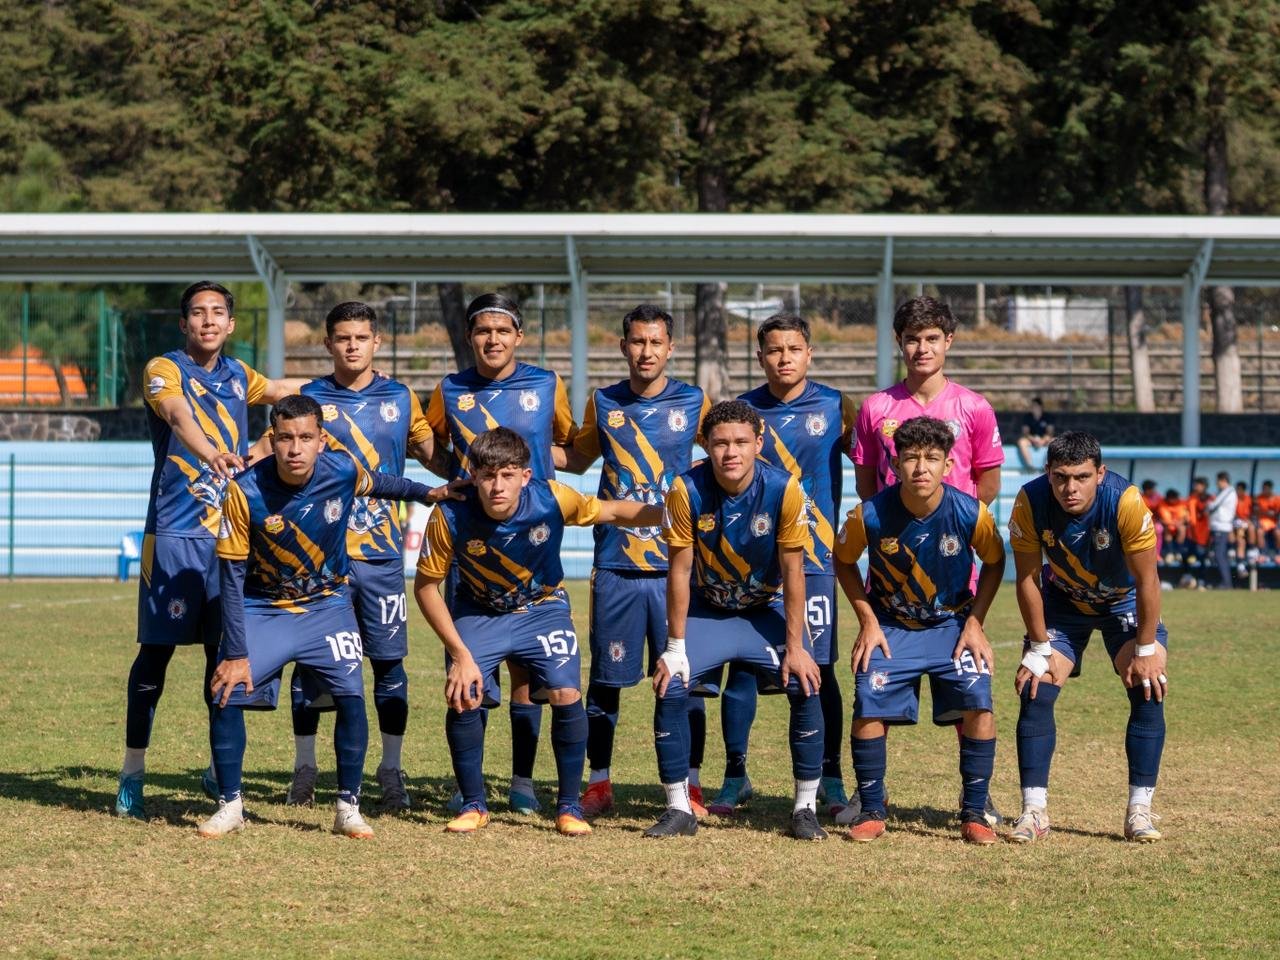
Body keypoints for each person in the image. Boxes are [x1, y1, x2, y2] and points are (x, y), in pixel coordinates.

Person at [199, 394, 443, 838]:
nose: (295, 448)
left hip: (327, 606)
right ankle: (231, 805)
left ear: (321, 440)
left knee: (351, 694)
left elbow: (382, 483)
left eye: (305, 438)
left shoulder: (342, 470)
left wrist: (429, 493)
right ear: (272, 439)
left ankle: (347, 807)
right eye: (285, 438)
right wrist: (234, 652)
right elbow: (230, 579)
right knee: (225, 690)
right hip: (264, 606)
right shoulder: (244, 491)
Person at [115, 281, 304, 820]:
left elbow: (282, 392)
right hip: (174, 536)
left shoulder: (240, 374)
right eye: (197, 313)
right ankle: (132, 772)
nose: (207, 320)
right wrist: (214, 454)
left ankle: (219, 772)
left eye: (217, 312)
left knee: (224, 657)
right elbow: (178, 416)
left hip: (231, 538)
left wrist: (344, 385)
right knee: (155, 655)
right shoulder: (164, 368)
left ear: (230, 324)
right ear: (184, 324)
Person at [413, 427, 662, 836]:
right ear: (473, 475)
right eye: (488, 475)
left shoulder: (553, 498)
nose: (497, 486)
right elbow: (426, 587)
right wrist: (460, 654)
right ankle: (474, 804)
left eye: (507, 475)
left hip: (542, 608)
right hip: (480, 611)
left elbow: (614, 512)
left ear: (525, 476)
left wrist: (672, 516)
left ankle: (569, 808)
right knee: (464, 695)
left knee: (566, 692)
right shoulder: (450, 515)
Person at [249, 302, 446, 813]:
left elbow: (432, 455)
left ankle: (391, 769)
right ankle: (305, 768)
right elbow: (265, 454)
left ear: (376, 342)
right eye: (342, 338)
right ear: (328, 344)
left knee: (388, 664)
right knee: (312, 667)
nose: (352, 346)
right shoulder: (308, 400)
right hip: (315, 561)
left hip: (380, 557)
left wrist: (482, 475)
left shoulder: (400, 397)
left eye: (361, 337)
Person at [852, 294, 1005, 827]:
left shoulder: (974, 408)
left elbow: (987, 481)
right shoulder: (876, 409)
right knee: (877, 684)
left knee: (967, 686)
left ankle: (977, 798)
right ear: (900, 343)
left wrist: (952, 528)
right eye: (913, 339)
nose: (923, 348)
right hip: (893, 572)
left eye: (933, 338)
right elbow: (867, 484)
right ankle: (870, 797)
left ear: (949, 342)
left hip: (953, 572)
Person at [643, 400, 825, 841]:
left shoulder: (784, 488)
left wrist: (796, 647)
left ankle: (805, 809)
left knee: (806, 682)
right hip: (710, 610)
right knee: (671, 683)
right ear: (705, 445)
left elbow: (794, 571)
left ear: (758, 443)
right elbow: (679, 571)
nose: (731, 452)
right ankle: (679, 808)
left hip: (765, 608)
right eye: (720, 443)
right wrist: (675, 648)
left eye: (741, 442)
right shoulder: (685, 489)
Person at [557, 304, 710, 818]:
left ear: (671, 347)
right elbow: (577, 458)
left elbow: (726, 452)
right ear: (623, 347)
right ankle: (599, 782)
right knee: (605, 682)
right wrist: (526, 446)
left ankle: (690, 785)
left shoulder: (694, 401)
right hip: (616, 563)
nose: (646, 352)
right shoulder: (603, 402)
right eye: (637, 342)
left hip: (677, 566)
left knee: (684, 680)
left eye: (655, 342)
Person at [426, 293, 577, 814]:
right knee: (471, 669)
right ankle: (468, 786)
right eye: (483, 331)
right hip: (473, 541)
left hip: (528, 531)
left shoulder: (547, 384)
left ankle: (522, 780)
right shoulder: (449, 389)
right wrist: (454, 481)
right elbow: (432, 444)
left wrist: (532, 484)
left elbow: (568, 446)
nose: (492, 340)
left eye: (502, 331)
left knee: (527, 674)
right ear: (470, 337)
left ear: (519, 336)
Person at [708, 314, 857, 821]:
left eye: (794, 349)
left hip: (814, 561)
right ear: (760, 357)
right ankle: (735, 775)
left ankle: (830, 776)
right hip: (750, 562)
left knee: (819, 669)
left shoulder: (836, 406)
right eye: (774, 350)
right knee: (742, 668)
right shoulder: (743, 411)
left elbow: (872, 463)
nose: (784, 358)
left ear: (809, 353)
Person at [833, 416, 1005, 845]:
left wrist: (975, 622)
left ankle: (975, 812)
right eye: (910, 458)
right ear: (895, 464)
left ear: (949, 465)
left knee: (979, 701)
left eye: (931, 458)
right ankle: (872, 809)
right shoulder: (869, 515)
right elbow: (843, 560)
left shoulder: (970, 512)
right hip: (891, 627)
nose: (921, 468)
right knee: (868, 703)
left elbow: (995, 561)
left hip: (952, 626)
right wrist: (868, 620)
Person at [1007, 431, 1168, 844]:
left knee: (1148, 685)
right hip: (1063, 602)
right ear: (1047, 472)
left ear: (1100, 473)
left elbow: (1148, 581)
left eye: (1081, 477)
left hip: (1123, 601)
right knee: (1035, 686)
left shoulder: (1125, 501)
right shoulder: (1029, 501)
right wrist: (1038, 647)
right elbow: (1026, 579)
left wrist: (1146, 649)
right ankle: (1034, 811)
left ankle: (1139, 810)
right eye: (1060, 477)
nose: (1070, 488)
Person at [1206, 472, 1238, 589]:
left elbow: (1213, 506)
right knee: (1220, 554)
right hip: (1219, 526)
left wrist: (1208, 504)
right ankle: (1226, 582)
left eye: (1218, 481)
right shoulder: (1226, 492)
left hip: (1221, 526)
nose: (1217, 484)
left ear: (1223, 480)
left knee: (1220, 555)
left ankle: (1226, 582)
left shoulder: (1228, 491)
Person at [1015, 396, 1055, 470]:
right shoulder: (1027, 417)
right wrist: (1033, 439)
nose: (1034, 408)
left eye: (1036, 406)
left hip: (1044, 440)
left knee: (1054, 441)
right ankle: (1030, 466)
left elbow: (1050, 433)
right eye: (1032, 406)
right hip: (1031, 440)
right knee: (1021, 442)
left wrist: (1042, 440)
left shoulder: (1047, 417)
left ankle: (1046, 465)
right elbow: (1025, 433)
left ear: (1041, 407)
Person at [1155, 489, 1189, 565]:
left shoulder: (1182, 503)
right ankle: (1169, 552)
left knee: (1182, 529)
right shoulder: (1161, 504)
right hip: (1167, 526)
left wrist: (1179, 523)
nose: (1174, 500)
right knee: (1168, 529)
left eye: (1175, 498)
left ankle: (1178, 552)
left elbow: (1186, 518)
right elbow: (1160, 518)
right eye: (1172, 499)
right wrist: (1171, 523)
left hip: (1179, 525)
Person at [1232, 481, 1257, 577]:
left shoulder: (1248, 499)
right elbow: (1232, 515)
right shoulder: (1233, 499)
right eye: (1237, 489)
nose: (1239, 491)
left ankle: (1251, 550)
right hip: (1235, 526)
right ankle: (1240, 565)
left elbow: (1253, 514)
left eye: (1240, 489)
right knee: (1241, 540)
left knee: (1251, 527)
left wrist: (1248, 521)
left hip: (1246, 524)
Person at [1140, 480, 1164, 559]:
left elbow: (1162, 510)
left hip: (1155, 521)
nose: (1154, 491)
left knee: (1159, 529)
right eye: (1152, 489)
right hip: (1143, 521)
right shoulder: (1141, 498)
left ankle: (1156, 554)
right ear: (1147, 490)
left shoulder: (1158, 497)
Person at [1257, 480, 1280, 558]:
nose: (1265, 490)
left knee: (1278, 532)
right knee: (1260, 532)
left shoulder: (1277, 498)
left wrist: (1272, 514)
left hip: (1274, 522)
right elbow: (1257, 512)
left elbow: (1277, 514)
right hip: (1262, 521)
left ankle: (1278, 553)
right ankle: (1262, 553)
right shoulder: (1259, 498)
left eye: (1266, 488)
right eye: (1263, 488)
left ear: (1270, 489)